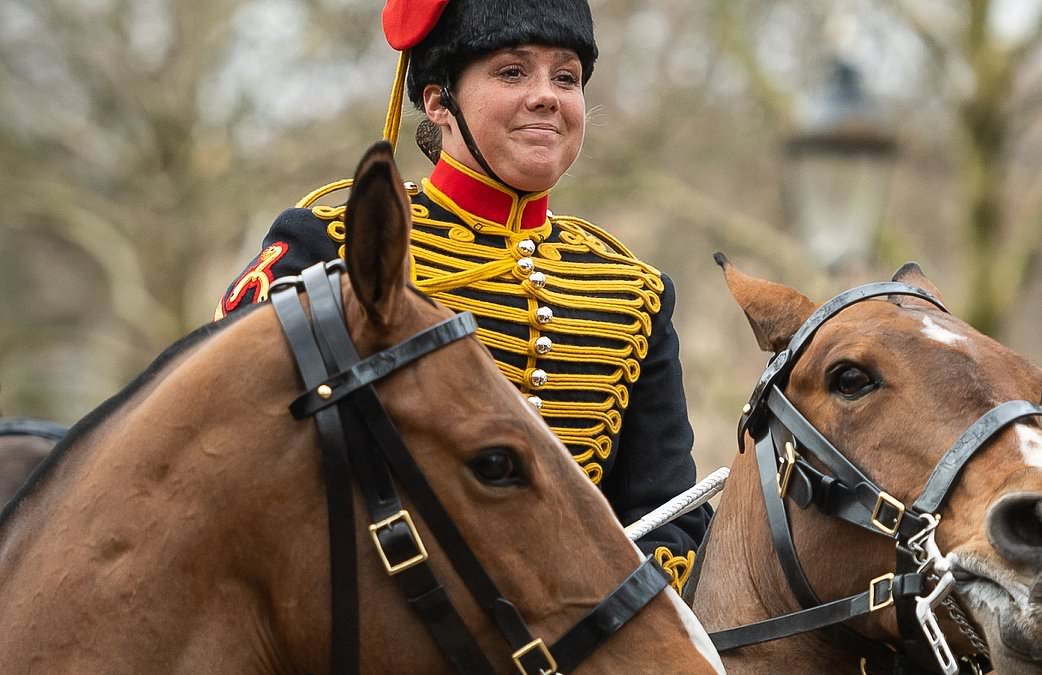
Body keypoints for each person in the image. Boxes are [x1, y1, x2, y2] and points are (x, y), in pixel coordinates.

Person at [217, 0, 708, 592]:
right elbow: (236, 452)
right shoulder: (333, 242)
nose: (547, 95)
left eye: (566, 76)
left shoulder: (636, 292)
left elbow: (669, 519)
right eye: (512, 72)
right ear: (437, 101)